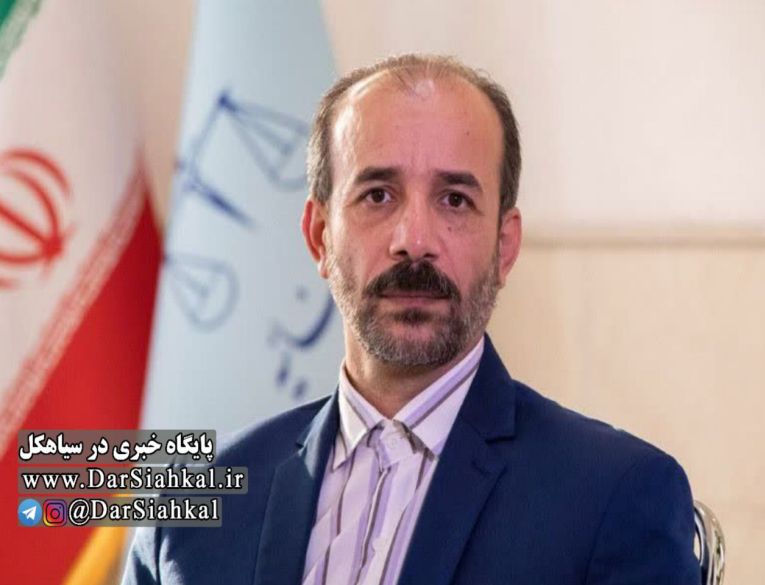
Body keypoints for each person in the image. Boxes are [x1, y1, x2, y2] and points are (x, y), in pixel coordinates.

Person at [123, 54, 700, 585]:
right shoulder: (186, 513)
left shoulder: (616, 496)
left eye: (455, 200)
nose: (414, 240)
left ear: (504, 246)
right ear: (320, 236)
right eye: (378, 195)